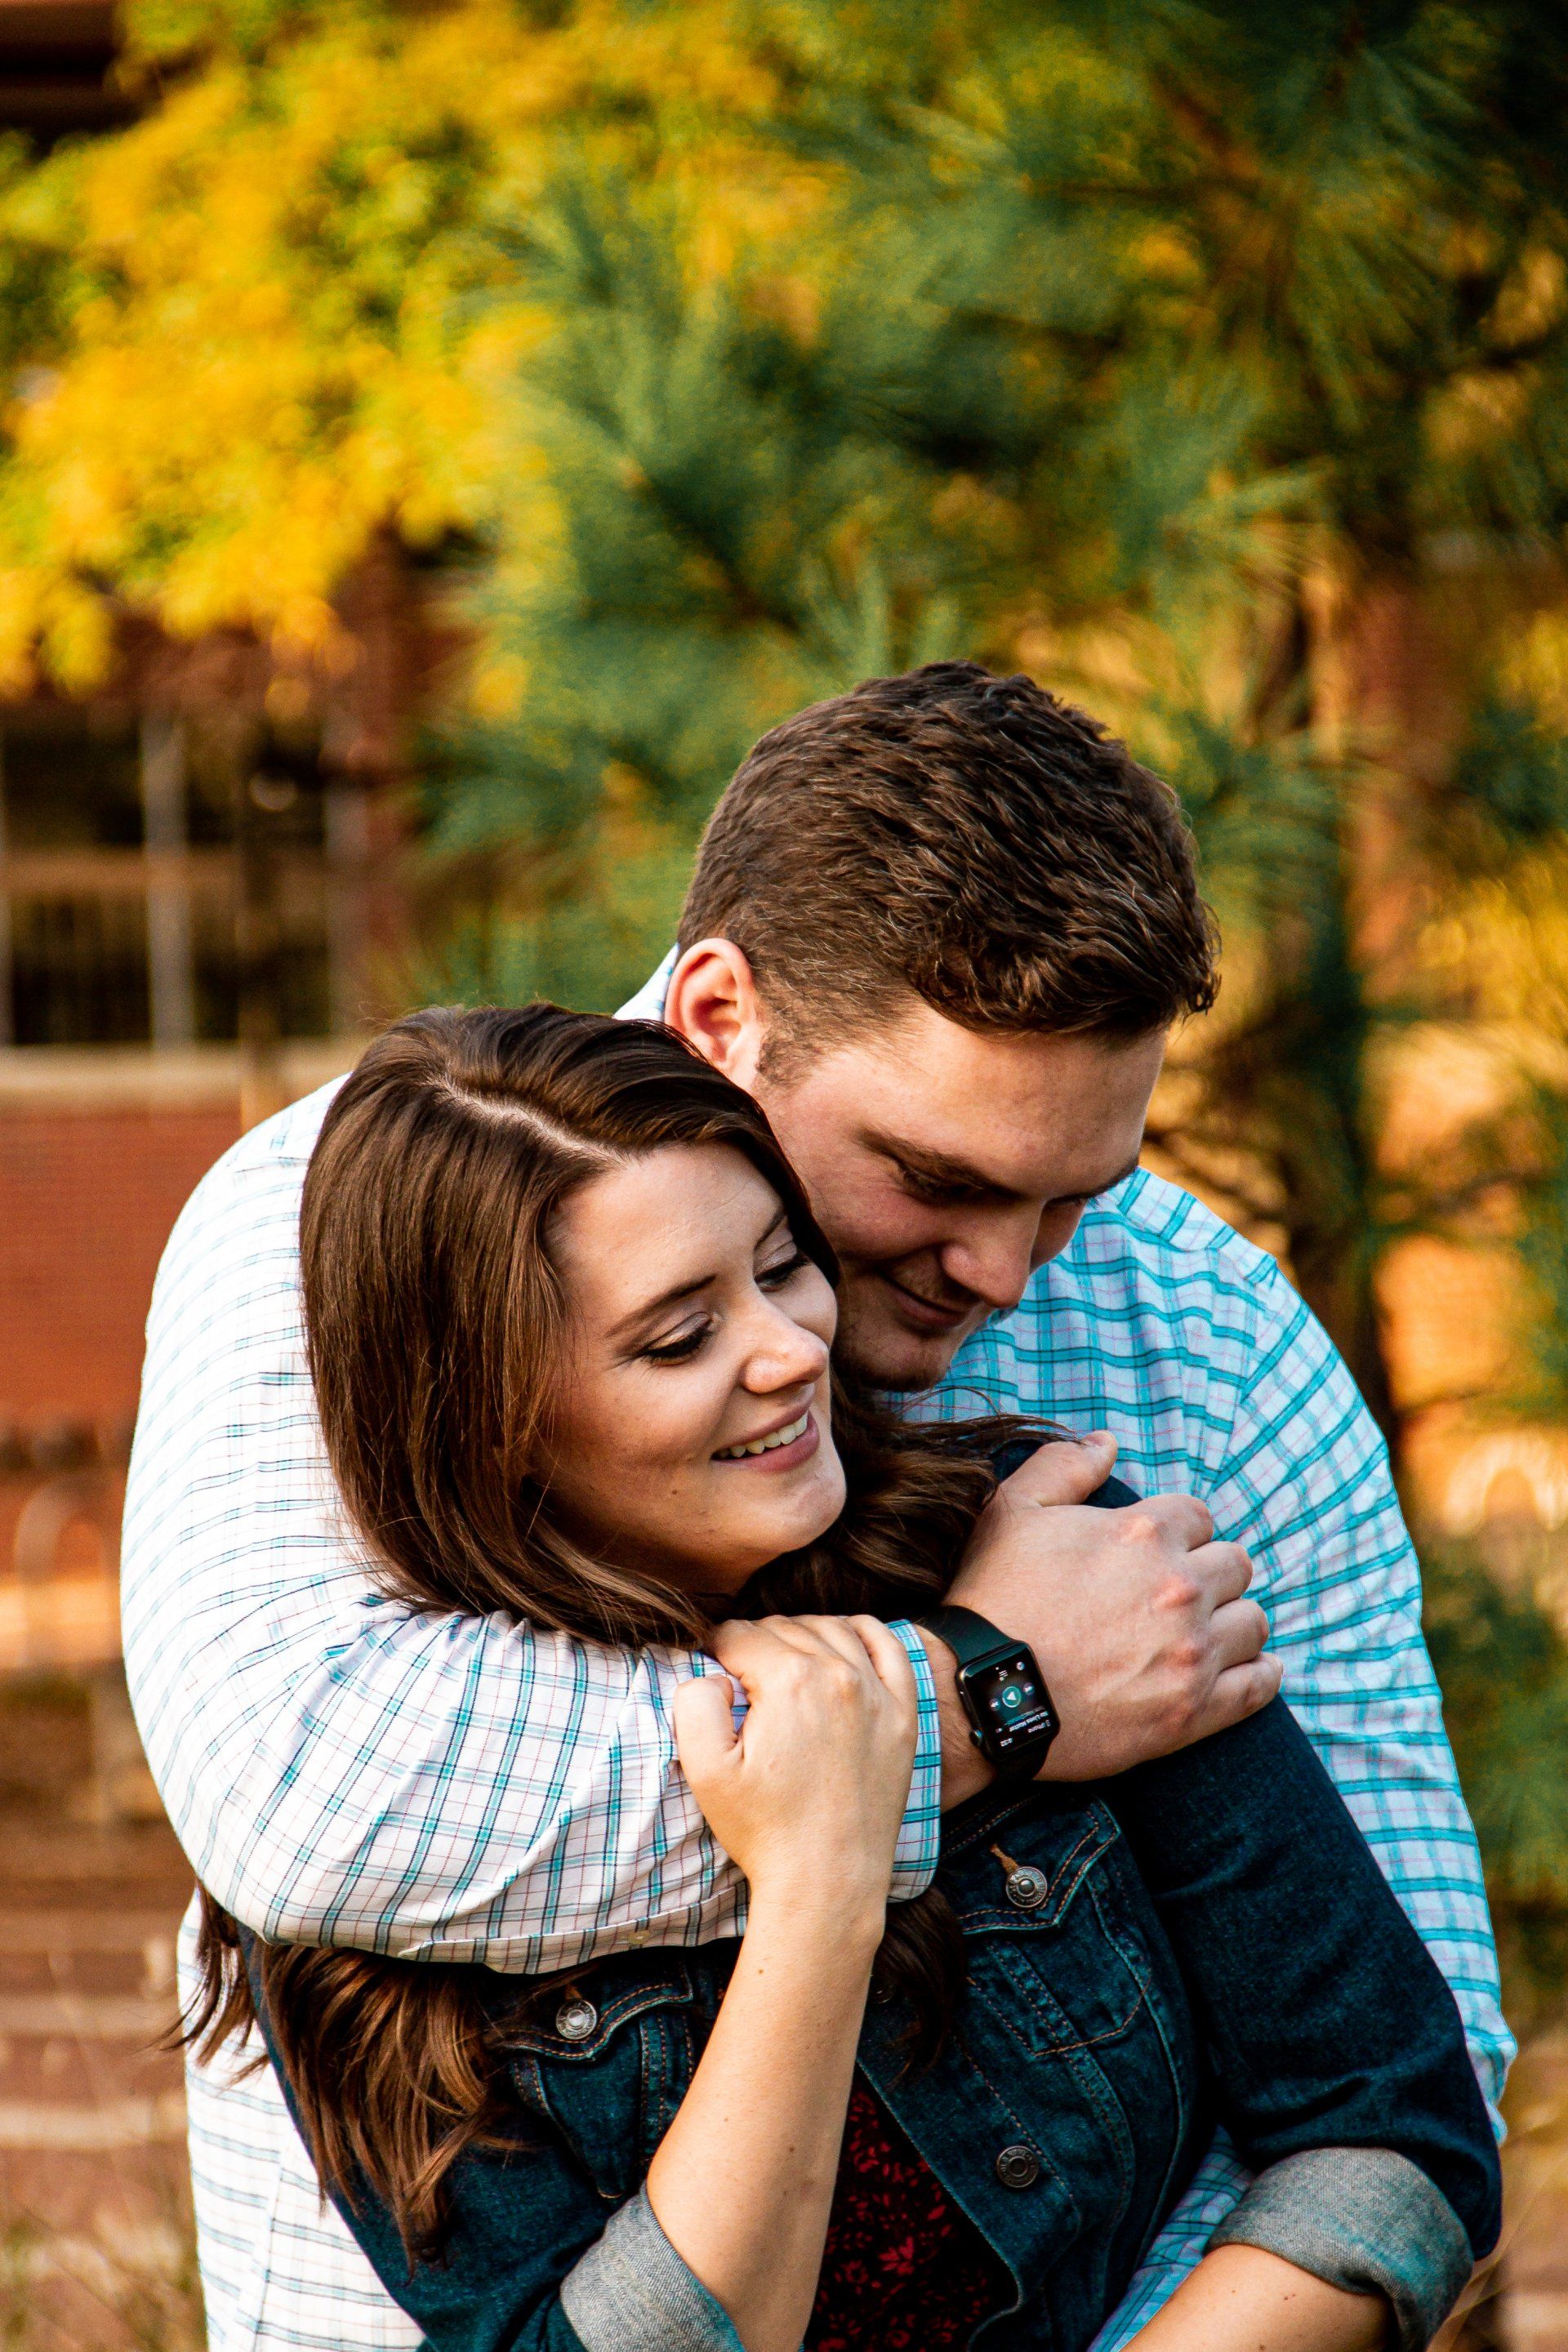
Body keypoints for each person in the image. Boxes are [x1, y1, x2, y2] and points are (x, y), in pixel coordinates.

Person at [121, 664, 1511, 2352]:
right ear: (721, 1016)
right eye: (934, 1178)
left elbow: (1409, 2067)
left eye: (1081, 1188)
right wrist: (995, 1699)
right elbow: (305, 1791)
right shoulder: (322, 1235)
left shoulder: (1204, 1344)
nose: (1004, 1274)